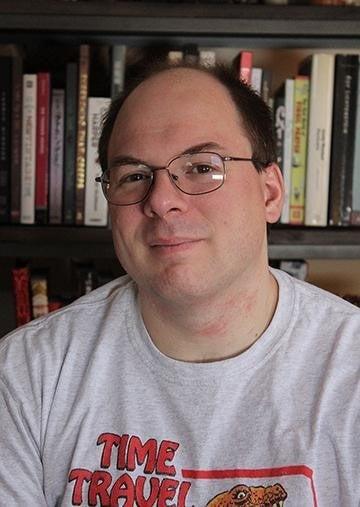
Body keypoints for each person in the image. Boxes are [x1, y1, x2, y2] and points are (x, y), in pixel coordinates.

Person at [0, 61, 359, 507]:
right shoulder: (25, 375)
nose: (162, 200)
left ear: (269, 192)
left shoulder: (350, 368)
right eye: (133, 176)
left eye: (201, 167)